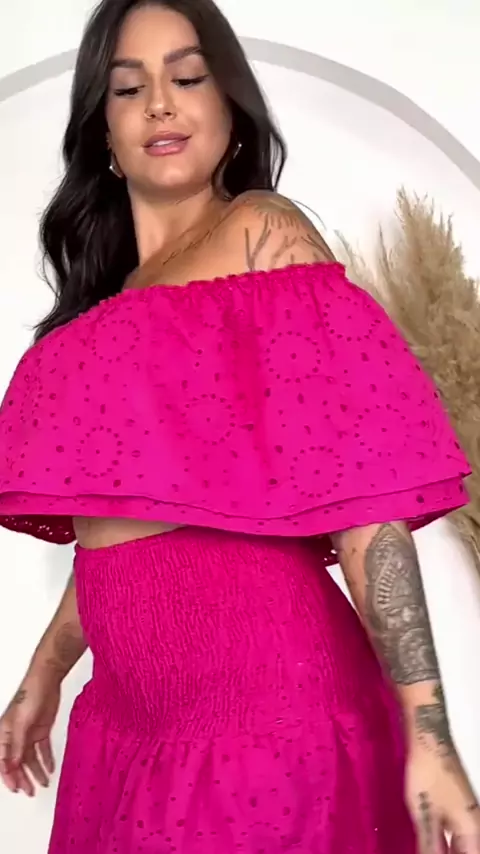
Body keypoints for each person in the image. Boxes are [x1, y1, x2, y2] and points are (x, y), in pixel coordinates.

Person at [0, 0, 478, 851]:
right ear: (103, 129)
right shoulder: (96, 309)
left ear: (230, 109)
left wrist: (429, 728)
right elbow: (125, 524)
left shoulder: (261, 231)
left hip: (268, 713)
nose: (160, 103)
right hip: (126, 726)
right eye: (128, 88)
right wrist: (44, 671)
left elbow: (363, 495)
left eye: (187, 78)